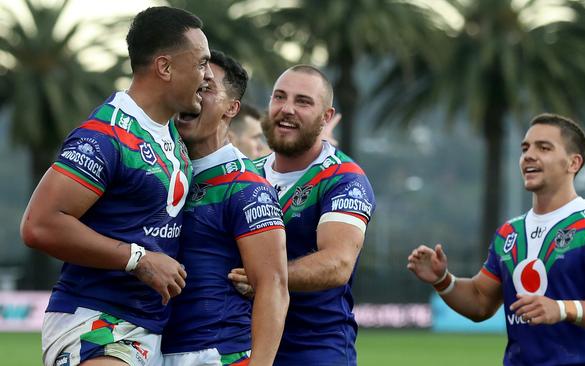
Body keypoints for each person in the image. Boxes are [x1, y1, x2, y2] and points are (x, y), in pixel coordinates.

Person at [20, 6, 213, 366]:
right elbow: (39, 224)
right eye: (201, 63)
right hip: (97, 322)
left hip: (152, 327)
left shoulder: (171, 133)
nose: (208, 76)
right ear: (165, 67)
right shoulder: (105, 136)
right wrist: (136, 259)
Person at [407, 113, 585, 365]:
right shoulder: (509, 233)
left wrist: (562, 309)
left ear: (573, 163)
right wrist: (443, 280)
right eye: (525, 148)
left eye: (544, 148)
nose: (528, 155)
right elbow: (480, 301)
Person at [228, 65, 376, 365]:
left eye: (303, 102)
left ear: (326, 117)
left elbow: (338, 264)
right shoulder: (245, 175)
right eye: (279, 97)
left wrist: (265, 277)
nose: (287, 109)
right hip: (243, 348)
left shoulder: (344, 179)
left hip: (315, 350)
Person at [161, 50, 289, 366]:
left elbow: (273, 286)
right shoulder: (159, 172)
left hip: (213, 356)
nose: (195, 95)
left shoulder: (247, 186)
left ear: (231, 108)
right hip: (150, 350)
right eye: (193, 83)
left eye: (207, 88)